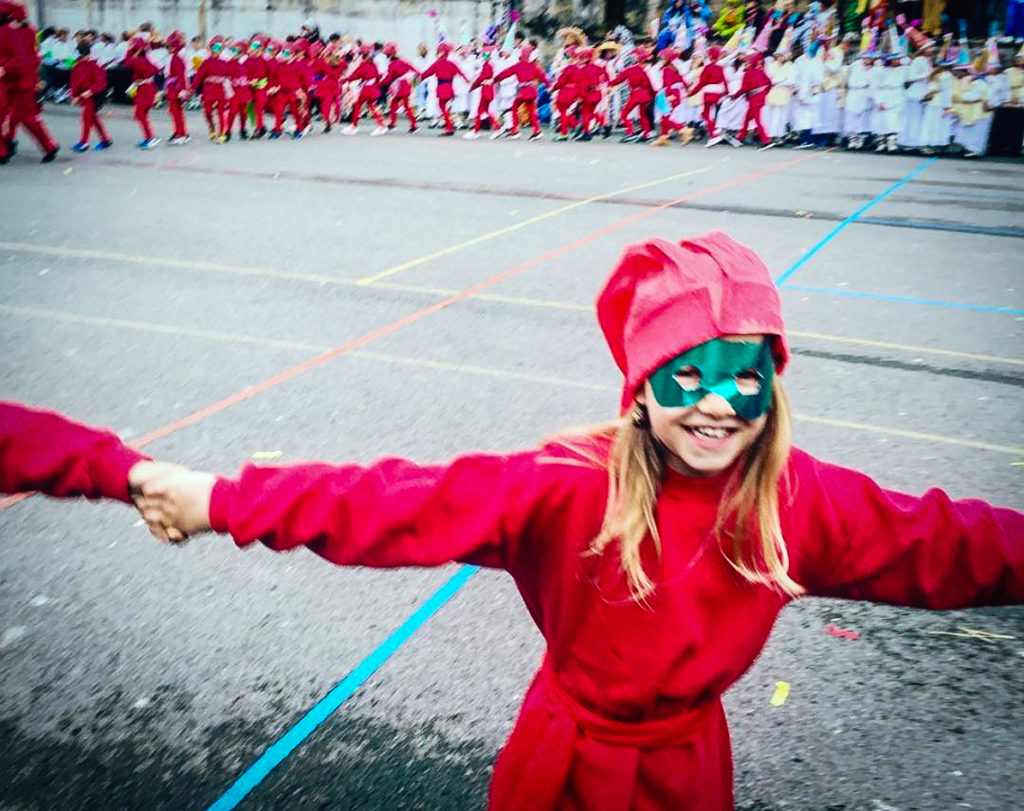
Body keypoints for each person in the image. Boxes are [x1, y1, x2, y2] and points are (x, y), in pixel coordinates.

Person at [132, 231, 1024, 811]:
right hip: (563, 766)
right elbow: (392, 501)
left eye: (743, 375)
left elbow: (943, 541)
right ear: (639, 386)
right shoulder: (568, 486)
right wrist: (220, 500)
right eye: (688, 374)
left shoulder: (793, 497)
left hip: (687, 768)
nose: (717, 406)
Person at [0, 1, 59, 164]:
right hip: (14, 80)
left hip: (17, 80)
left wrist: (4, 68)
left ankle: (48, 146)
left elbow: (24, 59)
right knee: (20, 117)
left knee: (25, 117)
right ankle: (5, 147)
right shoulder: (20, 31)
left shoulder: (10, 32)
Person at [494, 43, 549, 140]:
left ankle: (514, 130)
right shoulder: (534, 66)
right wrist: (549, 86)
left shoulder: (518, 66)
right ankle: (537, 130)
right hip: (531, 91)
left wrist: (495, 79)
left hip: (522, 92)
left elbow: (505, 73)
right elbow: (543, 76)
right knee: (532, 111)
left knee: (514, 108)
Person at [419, 41, 469, 137]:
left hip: (442, 87)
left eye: (438, 52)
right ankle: (449, 125)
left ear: (441, 52)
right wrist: (467, 80)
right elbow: (461, 72)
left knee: (442, 107)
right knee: (445, 107)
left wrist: (419, 78)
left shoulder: (437, 63)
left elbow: (427, 73)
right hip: (450, 87)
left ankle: (449, 127)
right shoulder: (451, 63)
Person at [69, 39, 112, 152]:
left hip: (93, 96)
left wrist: (91, 91)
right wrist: (75, 96)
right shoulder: (77, 66)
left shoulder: (95, 65)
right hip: (84, 95)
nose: (84, 57)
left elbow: (101, 82)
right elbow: (74, 82)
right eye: (82, 55)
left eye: (86, 55)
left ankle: (84, 142)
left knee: (86, 118)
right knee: (92, 118)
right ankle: (105, 140)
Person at [610, 45, 657, 143]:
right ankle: (646, 134)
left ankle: (630, 132)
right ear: (641, 62)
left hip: (635, 94)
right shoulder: (644, 72)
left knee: (624, 113)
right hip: (645, 95)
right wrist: (653, 95)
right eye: (645, 62)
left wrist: (609, 84)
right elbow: (649, 85)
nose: (646, 64)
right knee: (643, 116)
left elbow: (619, 79)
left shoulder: (629, 70)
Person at [123, 34, 161, 148]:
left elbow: (127, 62)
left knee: (140, 114)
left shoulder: (139, 60)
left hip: (146, 89)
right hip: (145, 88)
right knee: (141, 114)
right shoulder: (144, 59)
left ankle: (150, 138)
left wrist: (132, 50)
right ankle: (148, 137)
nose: (130, 48)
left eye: (132, 47)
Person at [382, 42, 419, 133]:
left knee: (397, 105)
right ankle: (410, 125)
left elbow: (389, 78)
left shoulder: (392, 64)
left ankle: (411, 125)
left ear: (390, 55)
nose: (386, 56)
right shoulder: (403, 61)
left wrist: (379, 84)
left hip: (399, 87)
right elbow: (415, 70)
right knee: (401, 105)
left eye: (387, 54)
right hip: (406, 85)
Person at [465, 45, 499, 139]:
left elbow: (481, 78)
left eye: (484, 56)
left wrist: (473, 87)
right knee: (485, 110)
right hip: (488, 89)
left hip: (486, 90)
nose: (483, 58)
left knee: (480, 110)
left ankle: (476, 131)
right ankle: (496, 127)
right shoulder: (490, 66)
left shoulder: (486, 66)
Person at [163, 30, 190, 145]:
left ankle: (181, 134)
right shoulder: (175, 57)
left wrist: (181, 90)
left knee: (176, 113)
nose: (167, 48)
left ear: (173, 47)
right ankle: (180, 132)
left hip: (175, 89)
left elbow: (180, 76)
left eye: (169, 46)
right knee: (176, 112)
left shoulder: (176, 58)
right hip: (174, 88)